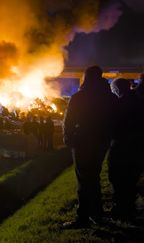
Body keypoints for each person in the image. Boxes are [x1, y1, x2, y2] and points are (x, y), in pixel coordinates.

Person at [63, 66, 117, 228]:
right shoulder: (110, 97)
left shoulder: (80, 97)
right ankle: (96, 213)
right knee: (94, 176)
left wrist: (68, 137)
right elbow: (116, 119)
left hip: (82, 142)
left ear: (86, 77)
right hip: (102, 142)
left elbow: (69, 120)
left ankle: (84, 217)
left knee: (84, 180)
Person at [108, 78, 144, 222]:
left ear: (117, 89)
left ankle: (119, 210)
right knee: (131, 179)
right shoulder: (140, 102)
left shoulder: (117, 104)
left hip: (120, 147)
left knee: (117, 179)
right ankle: (130, 209)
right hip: (137, 148)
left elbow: (111, 126)